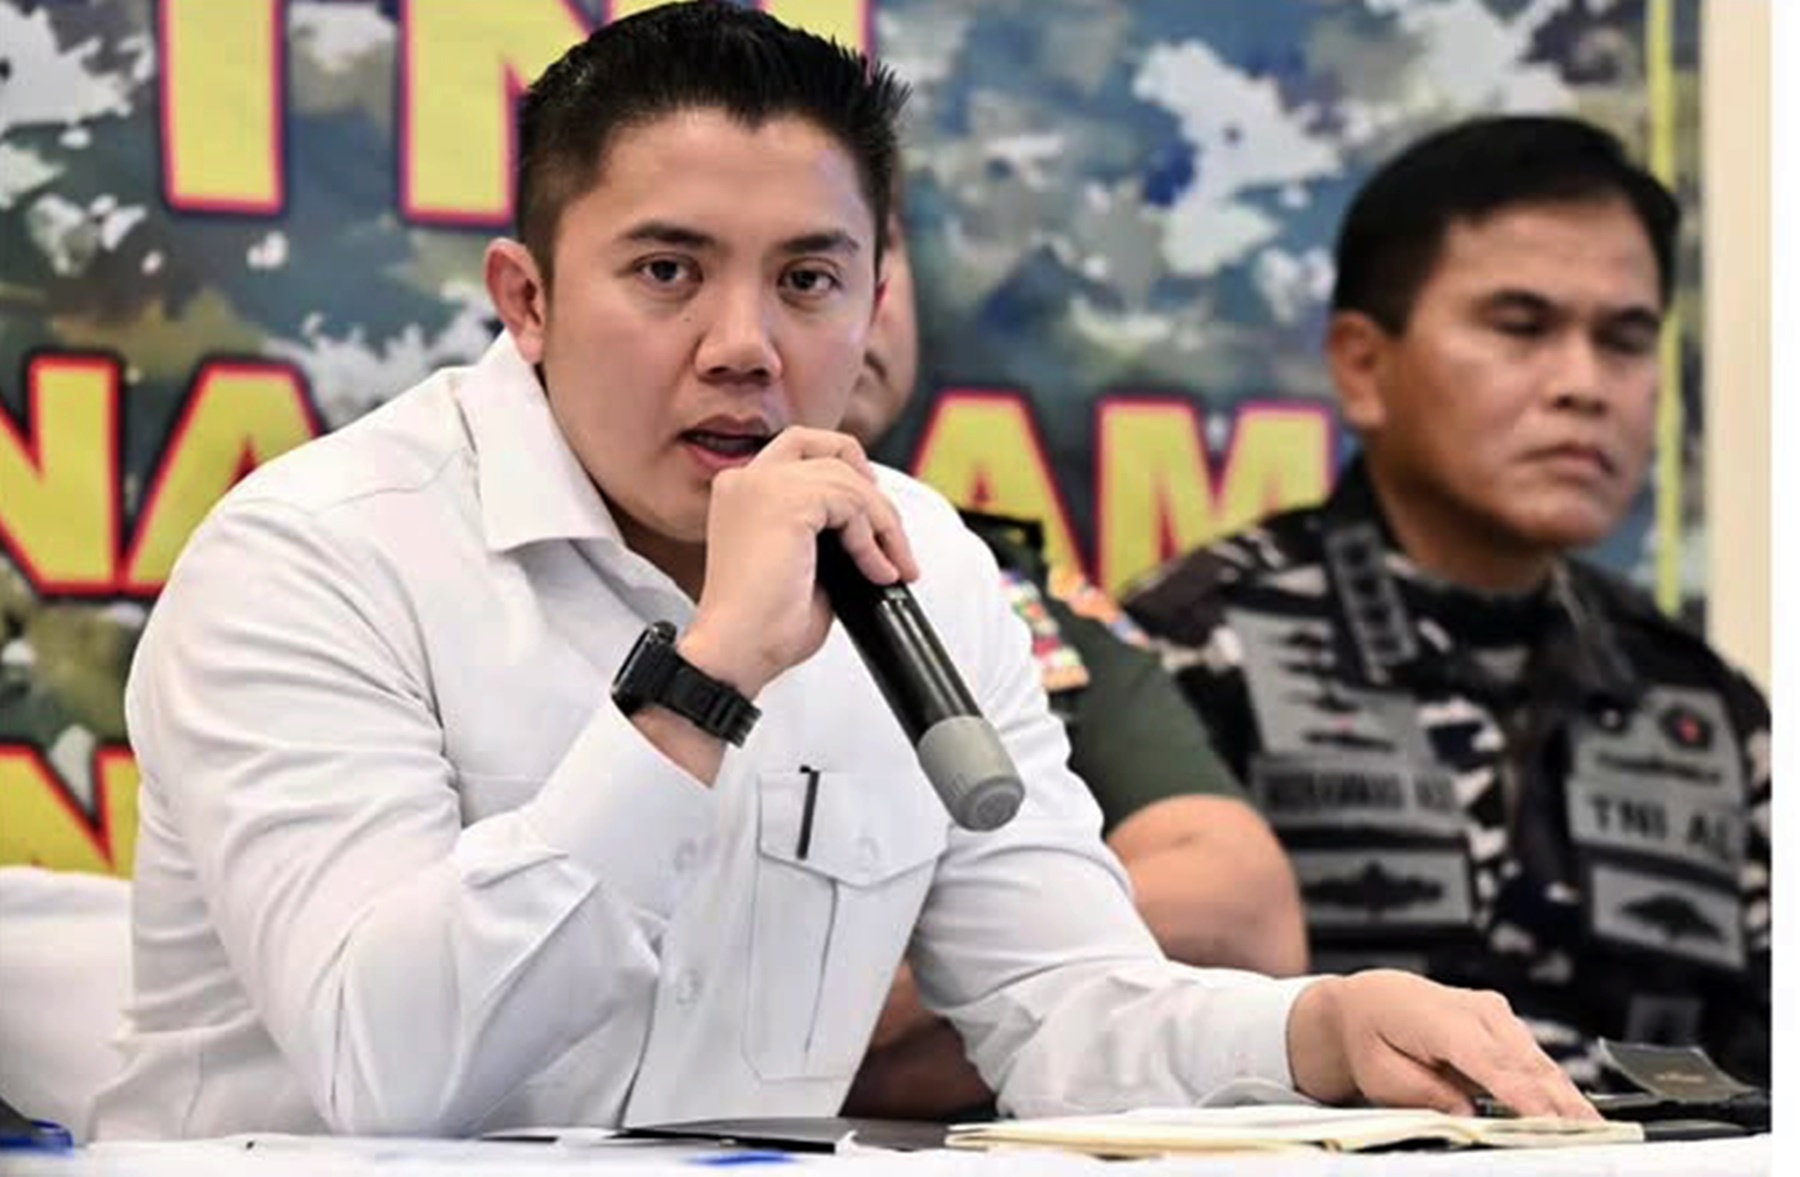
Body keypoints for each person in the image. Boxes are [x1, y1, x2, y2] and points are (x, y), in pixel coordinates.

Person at [92, 6, 1596, 1139]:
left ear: (876, 301)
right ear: (528, 299)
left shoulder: (926, 563)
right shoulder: (315, 557)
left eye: (808, 279)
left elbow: (1064, 1007)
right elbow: (388, 1072)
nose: (745, 345)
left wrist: (1323, 1031)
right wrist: (709, 675)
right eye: (668, 272)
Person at [1124, 115, 1770, 1088]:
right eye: (1521, 327)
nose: (1584, 385)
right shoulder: (1198, 646)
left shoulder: (1705, 706)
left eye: (1625, 340)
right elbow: (1099, 1019)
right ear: (1364, 366)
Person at [839, 212, 1306, 1118]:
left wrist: (902, 983)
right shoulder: (568, 575)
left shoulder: (989, 585)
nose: (849, 305)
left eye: (843, 257)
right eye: (676, 266)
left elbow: (1241, 914)